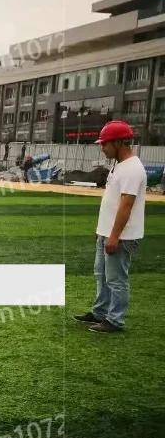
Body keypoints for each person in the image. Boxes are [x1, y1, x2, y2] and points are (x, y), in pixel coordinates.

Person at [74, 120, 146, 333]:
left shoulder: (132, 168)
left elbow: (126, 205)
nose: (102, 148)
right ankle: (100, 311)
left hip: (122, 235)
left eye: (105, 144)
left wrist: (114, 236)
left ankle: (115, 320)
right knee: (102, 275)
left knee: (116, 279)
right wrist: (101, 231)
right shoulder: (120, 165)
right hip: (108, 232)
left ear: (118, 143)